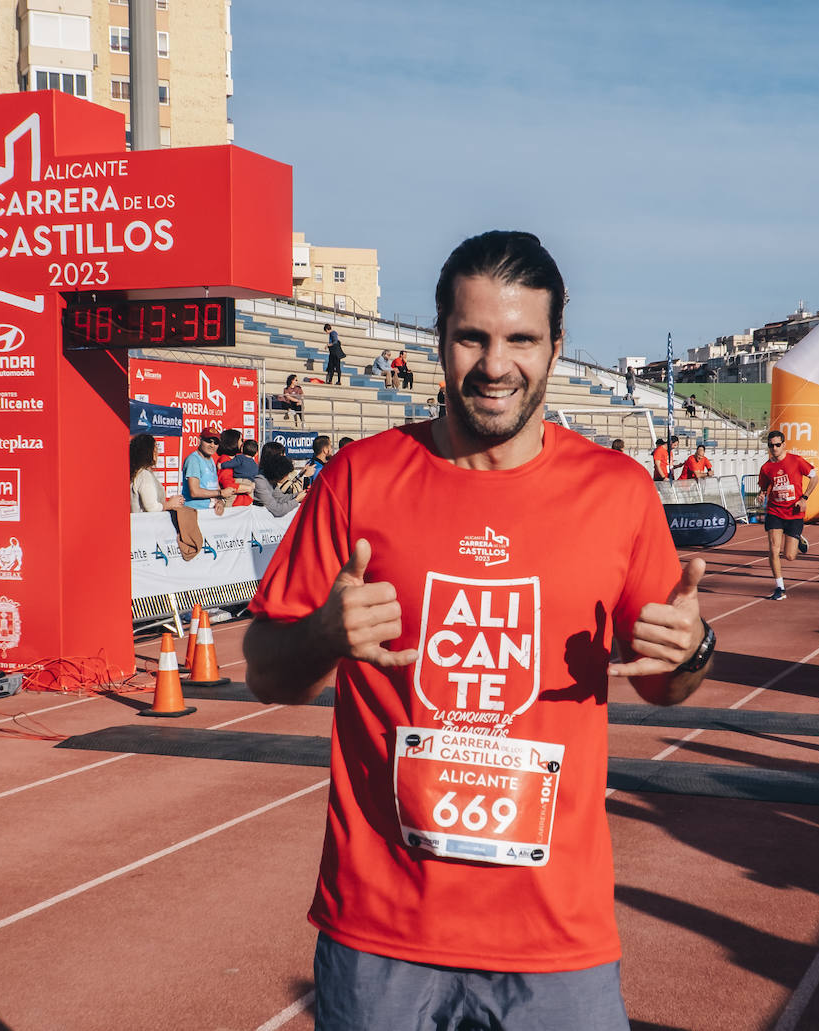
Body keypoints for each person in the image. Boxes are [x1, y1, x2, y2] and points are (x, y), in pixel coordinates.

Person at [241, 230, 714, 1031]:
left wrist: (692, 650)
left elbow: (668, 685)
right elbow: (264, 672)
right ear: (441, 340)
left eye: (522, 339)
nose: (496, 365)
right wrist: (324, 633)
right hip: (381, 933)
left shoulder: (618, 494)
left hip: (554, 936)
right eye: (474, 337)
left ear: (556, 347)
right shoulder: (360, 479)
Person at [758, 430, 816, 601]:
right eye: (771, 445)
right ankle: (780, 588)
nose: (774, 448)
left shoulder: (796, 461)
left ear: (784, 445)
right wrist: (762, 494)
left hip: (794, 511)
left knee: (789, 556)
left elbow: (815, 477)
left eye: (777, 444)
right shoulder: (766, 467)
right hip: (775, 511)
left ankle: (799, 540)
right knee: (773, 549)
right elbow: (765, 486)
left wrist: (804, 497)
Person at [182, 426, 234, 515]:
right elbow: (194, 492)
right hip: (195, 512)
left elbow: (215, 486)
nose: (212, 445)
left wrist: (220, 501)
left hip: (209, 512)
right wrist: (220, 493)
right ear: (200, 440)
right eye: (208, 441)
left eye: (216, 442)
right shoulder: (193, 460)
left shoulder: (211, 460)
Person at [130, 434, 185, 514]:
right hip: (145, 524)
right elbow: (152, 507)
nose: (157, 453)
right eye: (155, 449)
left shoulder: (137, 472)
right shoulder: (144, 475)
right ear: (148, 452)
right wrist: (170, 504)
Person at [251, 452, 303, 517]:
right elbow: (277, 511)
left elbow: (280, 498)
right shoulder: (260, 483)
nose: (288, 477)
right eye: (286, 475)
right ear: (279, 474)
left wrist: (300, 494)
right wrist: (296, 500)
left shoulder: (272, 481)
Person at [216, 429, 255, 508]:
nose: (243, 443)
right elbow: (228, 485)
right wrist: (249, 487)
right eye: (241, 440)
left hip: (242, 504)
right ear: (233, 442)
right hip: (234, 506)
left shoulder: (238, 459)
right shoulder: (225, 460)